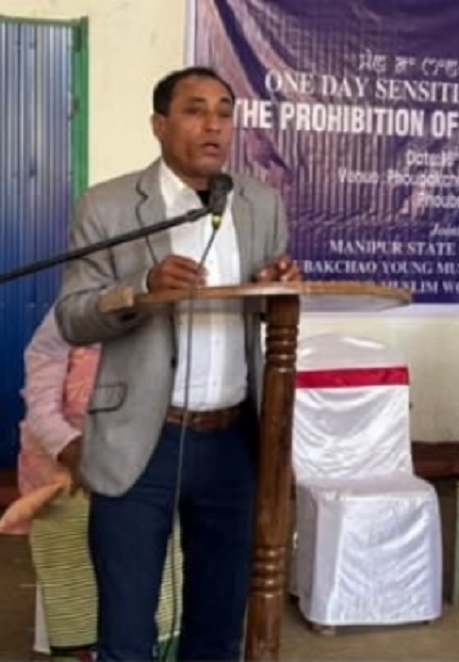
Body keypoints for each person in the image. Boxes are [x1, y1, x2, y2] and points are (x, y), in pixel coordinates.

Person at [54, 66, 301, 662]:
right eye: (195, 110)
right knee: (126, 635)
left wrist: (277, 284)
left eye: (224, 112)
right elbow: (73, 316)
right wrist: (143, 288)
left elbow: (268, 309)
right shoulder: (109, 205)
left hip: (234, 441)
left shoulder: (260, 204)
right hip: (142, 439)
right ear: (159, 125)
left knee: (217, 632)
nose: (213, 125)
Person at [7, 311, 180, 662]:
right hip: (67, 478)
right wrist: (78, 455)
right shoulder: (67, 318)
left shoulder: (164, 316)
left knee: (152, 586)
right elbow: (41, 405)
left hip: (148, 471)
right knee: (76, 592)